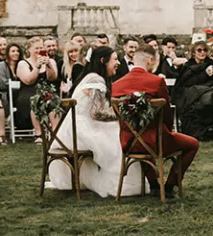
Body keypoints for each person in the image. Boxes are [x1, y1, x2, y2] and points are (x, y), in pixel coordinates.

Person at [47, 47, 147, 198]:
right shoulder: (95, 79)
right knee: (120, 138)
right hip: (80, 131)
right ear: (103, 61)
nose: (118, 63)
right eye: (114, 59)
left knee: (116, 132)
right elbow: (97, 113)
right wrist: (122, 116)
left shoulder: (89, 77)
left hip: (72, 130)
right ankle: (123, 184)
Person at [111, 44, 198, 199]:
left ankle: (154, 184)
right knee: (192, 144)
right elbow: (167, 115)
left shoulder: (116, 85)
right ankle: (170, 185)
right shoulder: (156, 82)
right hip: (156, 141)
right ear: (150, 60)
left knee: (140, 134)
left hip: (128, 142)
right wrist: (168, 130)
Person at [174, 40, 213, 140]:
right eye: (199, 50)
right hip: (193, 95)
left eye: (204, 50)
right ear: (193, 53)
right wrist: (204, 75)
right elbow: (186, 83)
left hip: (211, 92)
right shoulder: (188, 66)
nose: (202, 52)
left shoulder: (212, 64)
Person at [4, 42, 41, 136]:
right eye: (36, 48)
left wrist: (49, 65)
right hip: (27, 92)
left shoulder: (48, 61)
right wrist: (37, 67)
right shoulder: (22, 63)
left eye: (41, 48)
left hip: (43, 90)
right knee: (35, 100)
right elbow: (28, 81)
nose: (39, 50)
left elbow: (52, 78)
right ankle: (39, 132)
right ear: (29, 50)